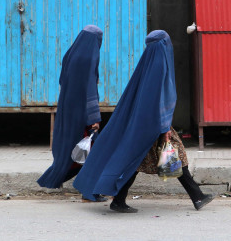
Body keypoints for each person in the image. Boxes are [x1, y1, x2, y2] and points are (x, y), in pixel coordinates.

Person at [73, 30, 213, 212]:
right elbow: (157, 100)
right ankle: (196, 196)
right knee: (159, 157)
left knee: (139, 161)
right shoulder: (158, 67)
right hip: (154, 125)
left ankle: (196, 196)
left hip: (145, 125)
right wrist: (164, 128)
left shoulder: (146, 64)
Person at [37, 25, 107, 202]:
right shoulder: (88, 57)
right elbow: (90, 89)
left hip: (68, 108)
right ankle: (88, 192)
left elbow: (62, 80)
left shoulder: (71, 54)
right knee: (95, 152)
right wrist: (94, 119)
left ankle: (55, 178)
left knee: (74, 148)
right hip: (82, 113)